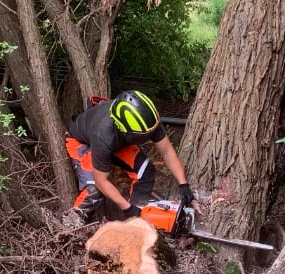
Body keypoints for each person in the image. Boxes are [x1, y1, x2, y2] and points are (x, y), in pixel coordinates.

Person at [66, 90, 194, 221]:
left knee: (145, 170)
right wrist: (127, 208)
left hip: (118, 143)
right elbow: (101, 181)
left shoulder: (149, 121)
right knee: (93, 190)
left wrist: (183, 185)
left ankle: (139, 210)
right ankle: (72, 223)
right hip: (81, 142)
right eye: (142, 137)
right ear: (124, 129)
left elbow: (167, 151)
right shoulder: (103, 135)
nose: (147, 138)